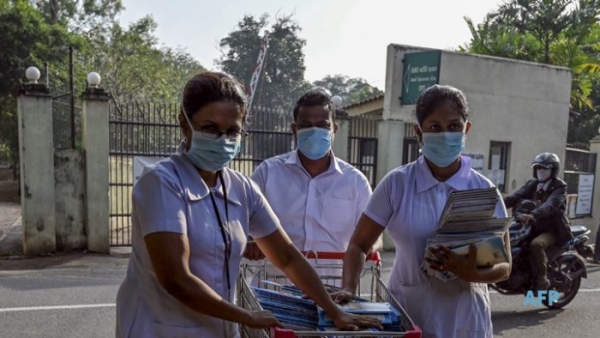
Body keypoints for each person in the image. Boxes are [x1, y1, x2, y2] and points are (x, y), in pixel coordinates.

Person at [115, 72, 381, 338]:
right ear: (185, 125)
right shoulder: (161, 182)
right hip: (160, 328)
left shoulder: (241, 188)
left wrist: (334, 311)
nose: (222, 139)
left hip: (221, 329)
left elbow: (287, 257)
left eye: (232, 131)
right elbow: (176, 278)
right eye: (210, 128)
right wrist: (246, 316)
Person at [332, 84, 512, 338]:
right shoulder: (397, 184)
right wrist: (349, 288)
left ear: (466, 129)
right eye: (435, 127)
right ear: (419, 132)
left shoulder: (483, 190)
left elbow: (504, 267)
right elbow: (359, 245)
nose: (445, 135)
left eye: (453, 127)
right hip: (409, 314)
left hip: (466, 318)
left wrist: (469, 271)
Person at [245, 88, 380, 268]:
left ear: (334, 129)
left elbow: (375, 235)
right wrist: (249, 240)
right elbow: (239, 220)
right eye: (306, 125)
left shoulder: (355, 181)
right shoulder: (267, 173)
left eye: (323, 125)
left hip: (332, 289)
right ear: (294, 129)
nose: (314, 131)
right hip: (274, 286)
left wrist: (369, 246)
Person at [503, 152, 573, 289]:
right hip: (534, 227)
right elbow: (515, 196)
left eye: (545, 168)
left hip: (553, 230)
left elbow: (551, 204)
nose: (541, 171)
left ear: (553, 170)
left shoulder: (559, 187)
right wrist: (495, 204)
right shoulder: (533, 184)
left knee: (536, 244)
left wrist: (534, 214)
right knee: (510, 238)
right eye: (538, 168)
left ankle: (542, 279)